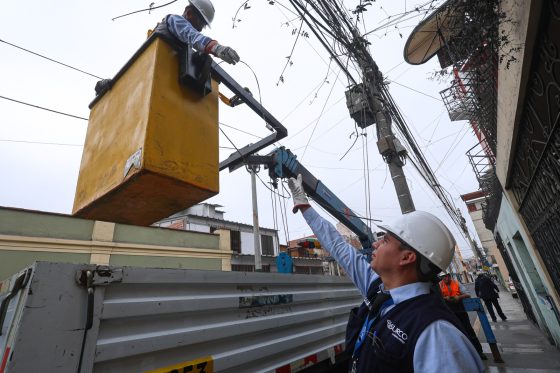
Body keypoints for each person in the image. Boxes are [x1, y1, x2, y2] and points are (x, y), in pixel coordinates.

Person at [287, 175, 483, 372]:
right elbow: (339, 247)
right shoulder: (378, 289)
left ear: (407, 258)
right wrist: (305, 206)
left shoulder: (437, 335)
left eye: (386, 240)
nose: (375, 243)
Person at [154, 0, 240, 65]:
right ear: (189, 13)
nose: (200, 30)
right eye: (200, 24)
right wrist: (215, 47)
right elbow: (191, 34)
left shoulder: (184, 42)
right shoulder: (175, 19)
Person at [439, 273, 486, 360]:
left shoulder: (456, 283)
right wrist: (446, 298)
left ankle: (479, 352)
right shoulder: (440, 285)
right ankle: (465, 354)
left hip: (461, 311)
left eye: (446, 276)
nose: (444, 278)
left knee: (469, 331)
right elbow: (437, 298)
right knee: (455, 334)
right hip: (449, 314)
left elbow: (468, 294)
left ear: (449, 276)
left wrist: (459, 297)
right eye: (442, 277)